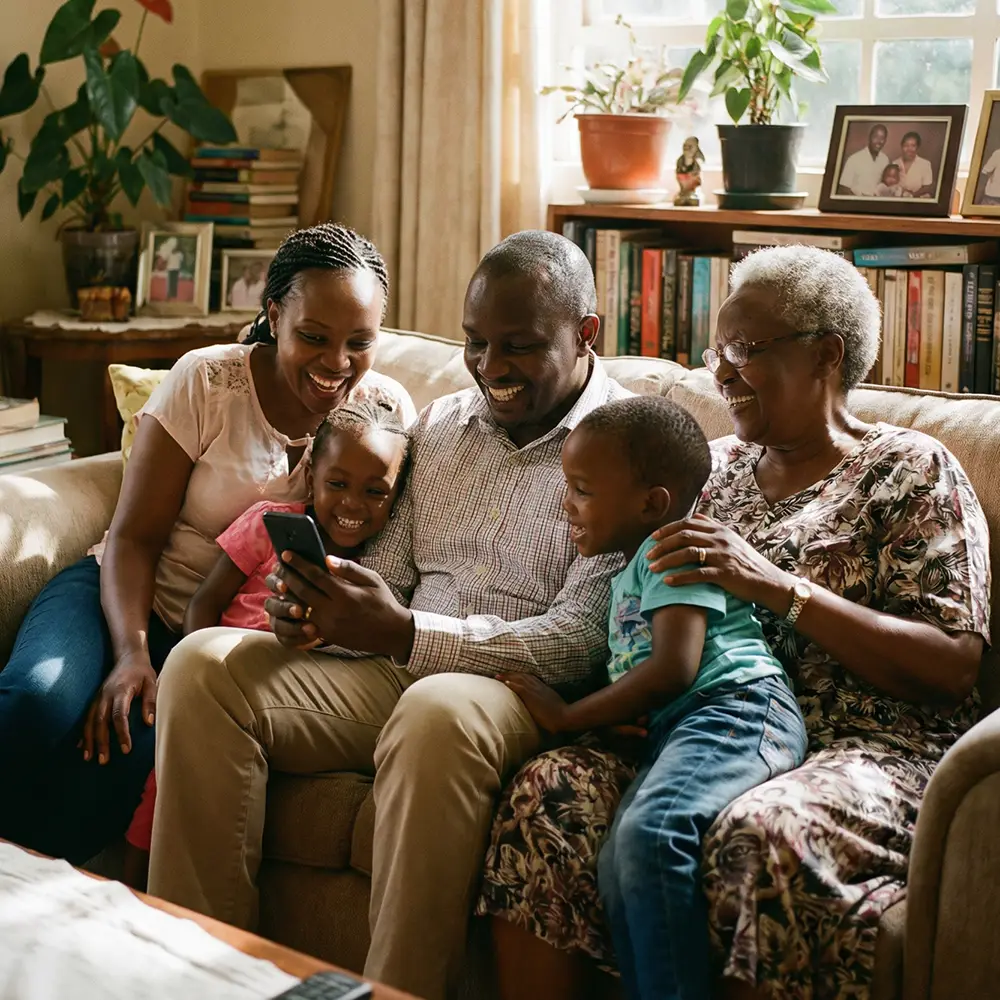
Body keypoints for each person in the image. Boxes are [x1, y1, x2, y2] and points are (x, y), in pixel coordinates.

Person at [478, 245, 991, 1000]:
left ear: (826, 354)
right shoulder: (701, 471)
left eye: (745, 351)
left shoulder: (912, 469)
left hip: (867, 748)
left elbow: (953, 663)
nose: (721, 373)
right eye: (719, 351)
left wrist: (782, 588)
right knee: (550, 791)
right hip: (695, 725)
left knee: (763, 832)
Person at [145, 230, 634, 1000]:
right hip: (392, 667)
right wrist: (320, 611)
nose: (491, 369)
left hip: (507, 686)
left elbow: (581, 637)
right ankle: (201, 976)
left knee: (437, 709)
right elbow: (390, 570)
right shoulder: (440, 426)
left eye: (519, 347)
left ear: (586, 335)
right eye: (475, 344)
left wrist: (409, 633)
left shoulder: (629, 446)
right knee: (205, 664)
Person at [0, 223, 414, 866]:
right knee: (37, 700)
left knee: (115, 762)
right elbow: (134, 538)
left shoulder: (384, 412)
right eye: (314, 337)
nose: (337, 363)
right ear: (275, 315)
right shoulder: (209, 382)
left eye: (359, 342)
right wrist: (132, 655)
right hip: (124, 595)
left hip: (222, 648)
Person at [500, 395, 807, 1000]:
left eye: (583, 489)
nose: (567, 502)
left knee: (652, 838)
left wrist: (569, 717)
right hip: (692, 722)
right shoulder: (636, 566)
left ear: (652, 502)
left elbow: (673, 667)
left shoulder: (673, 550)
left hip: (738, 711)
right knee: (620, 856)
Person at [122, 392, 411, 889]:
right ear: (312, 473)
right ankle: (126, 896)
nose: (352, 504)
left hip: (284, 695)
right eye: (337, 484)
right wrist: (186, 670)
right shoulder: (266, 524)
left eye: (375, 492)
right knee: (161, 784)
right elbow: (204, 603)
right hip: (216, 672)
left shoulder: (377, 571)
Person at [837, 123, 889, 196]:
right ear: (869, 138)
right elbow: (844, 187)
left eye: (882, 138)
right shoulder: (854, 159)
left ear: (885, 140)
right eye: (876, 137)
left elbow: (885, 184)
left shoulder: (885, 159)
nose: (879, 141)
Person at [894, 130, 935, 198]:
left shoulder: (925, 164)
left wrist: (913, 194)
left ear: (917, 147)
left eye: (913, 146)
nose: (909, 149)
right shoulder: (895, 163)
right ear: (901, 146)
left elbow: (927, 187)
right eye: (906, 145)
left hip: (918, 201)